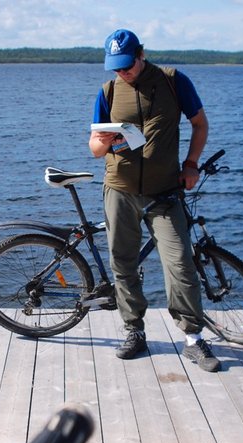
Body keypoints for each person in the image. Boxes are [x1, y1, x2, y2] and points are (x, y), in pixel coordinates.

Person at [88, 28, 220, 372]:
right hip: (120, 190)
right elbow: (94, 148)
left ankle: (193, 339)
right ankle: (134, 330)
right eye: (115, 67)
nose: (122, 72)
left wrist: (191, 164)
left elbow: (200, 125)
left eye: (127, 66)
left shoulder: (173, 81)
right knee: (123, 263)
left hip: (164, 193)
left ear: (141, 55)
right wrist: (103, 142)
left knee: (180, 264)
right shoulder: (108, 91)